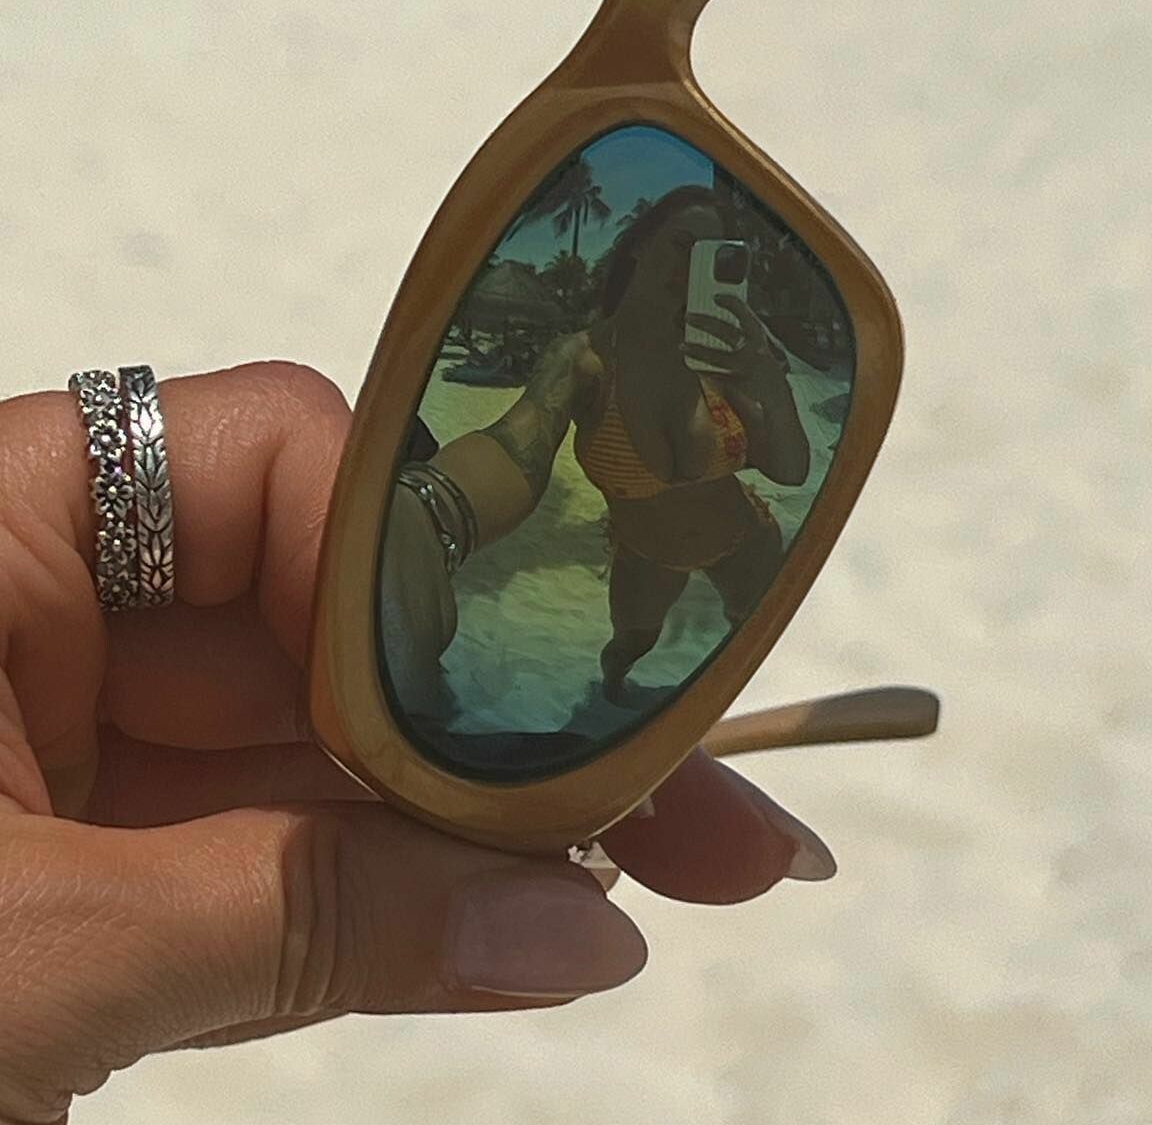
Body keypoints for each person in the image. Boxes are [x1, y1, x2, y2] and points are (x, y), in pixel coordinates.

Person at [0, 361, 835, 1118]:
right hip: (518, 555)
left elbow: (787, 468)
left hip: (552, 540)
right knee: (595, 637)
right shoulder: (608, 365)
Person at [402, 185, 812, 712]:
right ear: (640, 244)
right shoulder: (584, 360)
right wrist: (424, 509)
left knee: (751, 641)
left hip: (746, 538)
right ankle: (614, 701)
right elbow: (513, 446)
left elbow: (791, 470)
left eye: (709, 258)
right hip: (647, 554)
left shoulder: (721, 359)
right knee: (627, 647)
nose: (689, 270)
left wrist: (769, 383)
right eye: (681, 245)